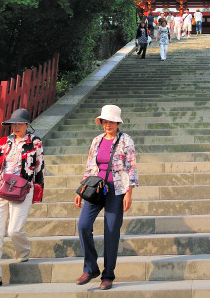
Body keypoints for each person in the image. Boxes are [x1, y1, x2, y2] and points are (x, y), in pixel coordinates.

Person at [0, 108, 44, 290]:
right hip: (2, 190)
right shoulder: (4, 142)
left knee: (14, 230)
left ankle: (23, 251)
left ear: (27, 125)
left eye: (20, 123)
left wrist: (37, 192)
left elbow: (39, 168)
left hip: (24, 189)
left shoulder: (35, 142)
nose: (16, 126)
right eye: (13, 124)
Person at [74, 105, 138, 291]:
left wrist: (129, 192)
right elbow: (89, 166)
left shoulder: (126, 140)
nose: (108, 125)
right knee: (83, 225)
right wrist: (81, 190)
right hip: (96, 188)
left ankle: (108, 275)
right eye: (105, 121)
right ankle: (90, 268)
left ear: (118, 123)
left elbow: (131, 167)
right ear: (101, 122)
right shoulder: (97, 140)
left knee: (111, 232)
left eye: (111, 121)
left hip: (116, 189)